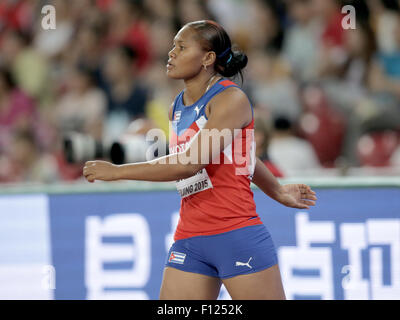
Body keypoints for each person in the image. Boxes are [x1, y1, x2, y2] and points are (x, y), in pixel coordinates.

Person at [83, 20, 317, 300]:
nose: (171, 53)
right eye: (172, 46)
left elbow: (190, 162)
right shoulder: (176, 107)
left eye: (181, 47)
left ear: (208, 58)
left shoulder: (231, 99)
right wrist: (277, 190)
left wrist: (118, 172)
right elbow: (241, 156)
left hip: (236, 234)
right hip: (190, 238)